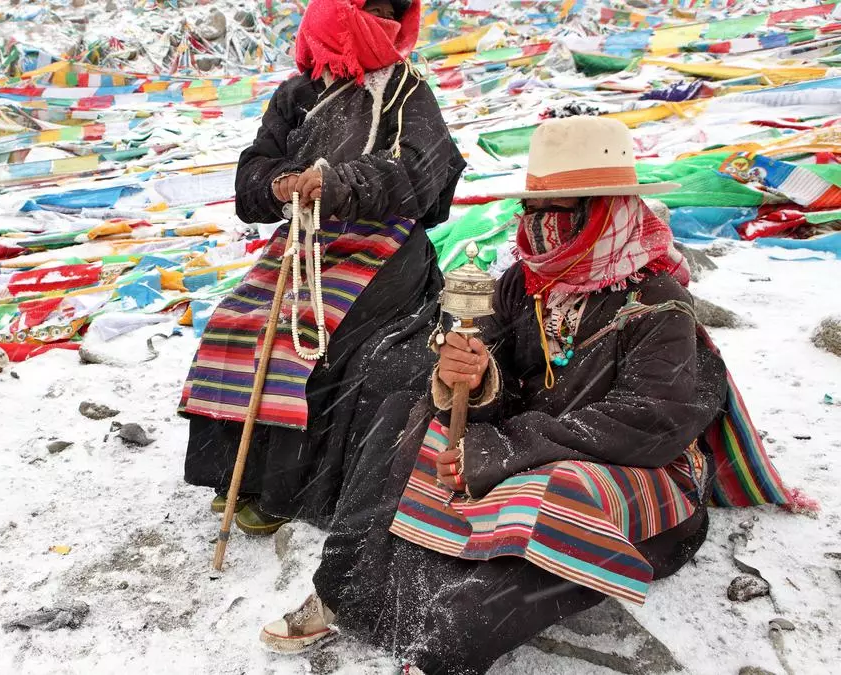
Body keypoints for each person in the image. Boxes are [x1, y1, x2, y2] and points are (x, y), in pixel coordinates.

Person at [257, 116, 792, 672]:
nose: (532, 226)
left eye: (551, 212)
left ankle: (442, 645)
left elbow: (650, 420)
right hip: (529, 445)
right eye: (530, 210)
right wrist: (470, 375)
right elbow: (497, 379)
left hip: (624, 467)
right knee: (401, 414)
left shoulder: (660, 305)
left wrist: (503, 451)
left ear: (602, 211)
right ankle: (344, 587)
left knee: (556, 493)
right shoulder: (524, 284)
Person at [178, 0, 467, 535]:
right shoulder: (296, 94)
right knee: (236, 328)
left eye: (389, 13)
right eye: (368, 11)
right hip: (303, 241)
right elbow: (252, 177)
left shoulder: (407, 90)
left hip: (386, 244)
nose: (382, 23)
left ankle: (284, 491)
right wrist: (279, 186)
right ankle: (239, 475)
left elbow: (423, 172)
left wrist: (342, 184)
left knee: (311, 339)